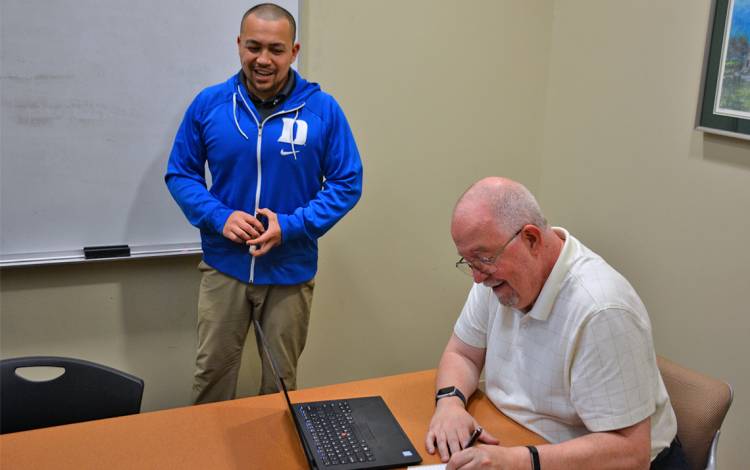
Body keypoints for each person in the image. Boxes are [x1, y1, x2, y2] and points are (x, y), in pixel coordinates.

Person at [165, 3, 362, 404]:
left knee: (279, 386)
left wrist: (290, 226)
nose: (263, 59)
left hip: (289, 271)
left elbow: (347, 182)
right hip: (225, 268)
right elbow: (180, 174)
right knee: (211, 379)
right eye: (253, 47)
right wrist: (219, 217)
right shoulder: (209, 105)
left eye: (276, 49)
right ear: (239, 45)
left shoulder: (322, 110)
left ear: (294, 51)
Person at [426, 177, 687, 469]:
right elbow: (462, 354)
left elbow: (630, 452)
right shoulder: (496, 279)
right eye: (468, 262)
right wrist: (450, 402)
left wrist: (518, 461)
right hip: (521, 442)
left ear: (531, 239)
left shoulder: (601, 310)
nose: (477, 276)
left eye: (483, 258)